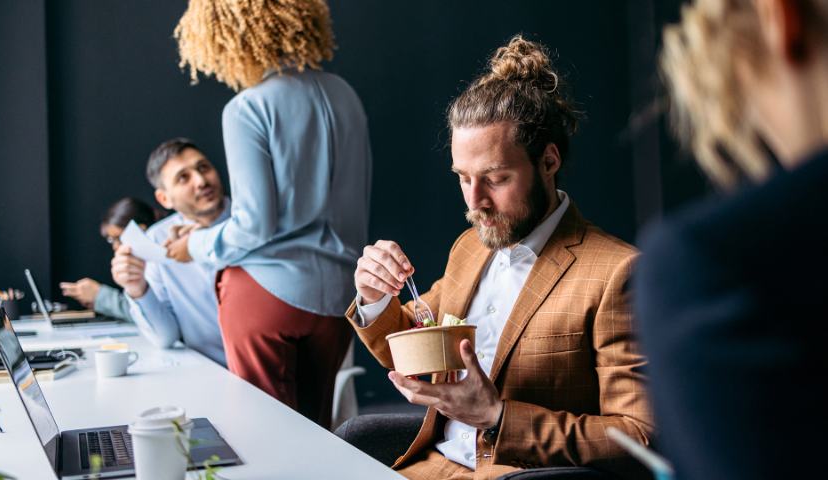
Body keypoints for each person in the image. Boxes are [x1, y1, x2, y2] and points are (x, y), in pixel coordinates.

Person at [349, 36, 653, 479]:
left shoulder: (617, 272)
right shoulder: (470, 246)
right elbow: (418, 342)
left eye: (495, 178)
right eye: (463, 178)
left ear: (548, 161)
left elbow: (638, 435)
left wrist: (498, 415)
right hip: (428, 467)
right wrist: (374, 297)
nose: (476, 202)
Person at [635, 0, 828, 479]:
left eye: (494, 178)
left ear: (779, 18)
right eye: (462, 178)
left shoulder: (714, 266)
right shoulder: (464, 255)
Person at [167, 0, 371, 430]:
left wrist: (195, 245)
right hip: (338, 299)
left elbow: (254, 224)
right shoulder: (345, 94)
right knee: (318, 433)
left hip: (266, 294)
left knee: (267, 434)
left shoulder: (247, 108)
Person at [111, 138, 228, 367]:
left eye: (203, 167)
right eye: (183, 177)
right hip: (210, 374)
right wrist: (138, 289)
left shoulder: (255, 221)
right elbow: (166, 337)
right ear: (164, 198)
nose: (201, 180)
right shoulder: (157, 239)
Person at [59, 197, 156, 321]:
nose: (116, 247)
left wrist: (99, 295)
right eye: (111, 240)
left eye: (119, 238)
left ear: (142, 230)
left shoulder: (161, 263)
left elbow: (152, 315)